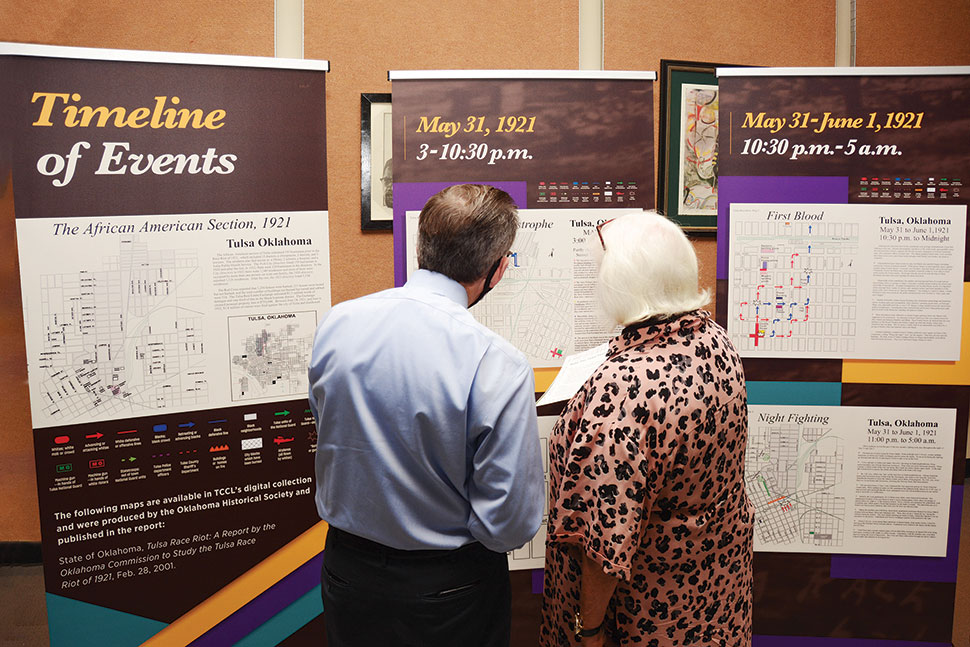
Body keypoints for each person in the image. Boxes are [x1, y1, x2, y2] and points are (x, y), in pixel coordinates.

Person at [309, 183, 544, 647]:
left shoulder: (338, 323)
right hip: (449, 587)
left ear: (421, 247)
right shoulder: (498, 363)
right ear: (497, 270)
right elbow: (510, 523)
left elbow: (328, 424)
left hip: (347, 571)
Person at [540, 211, 753, 647]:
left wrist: (591, 629)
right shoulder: (714, 339)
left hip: (645, 613)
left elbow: (603, 544)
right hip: (714, 593)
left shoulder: (623, 389)